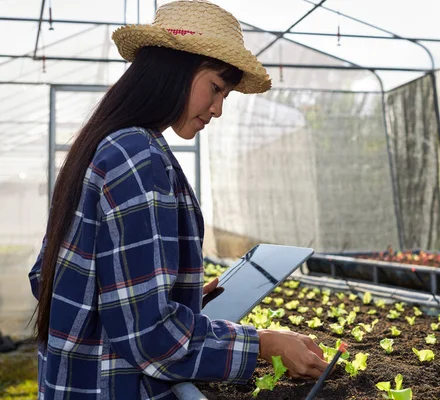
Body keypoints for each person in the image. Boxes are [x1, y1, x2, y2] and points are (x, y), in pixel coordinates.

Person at [27, 1, 329, 398]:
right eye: (216, 88)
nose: (218, 109)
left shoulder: (105, 143)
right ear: (175, 71)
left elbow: (47, 278)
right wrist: (265, 343)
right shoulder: (139, 157)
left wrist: (169, 292)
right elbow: (149, 336)